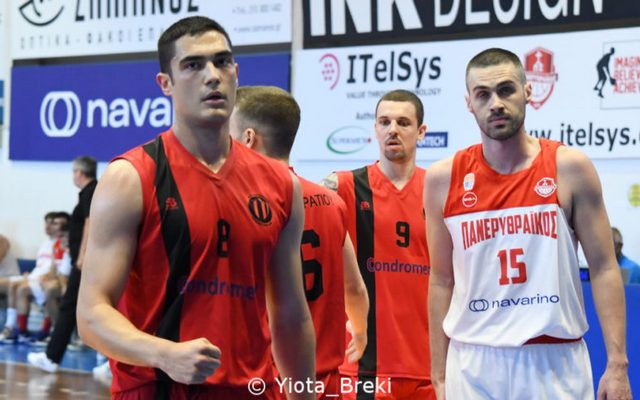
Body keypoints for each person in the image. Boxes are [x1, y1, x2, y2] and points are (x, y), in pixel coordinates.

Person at [74, 17, 315, 399]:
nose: (212, 75)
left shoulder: (282, 184)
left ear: (236, 72)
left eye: (222, 62)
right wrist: (163, 353)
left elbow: (291, 314)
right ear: (165, 83)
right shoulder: (131, 177)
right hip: (158, 388)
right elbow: (91, 315)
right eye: (193, 65)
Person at [424, 48, 631, 399]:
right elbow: (441, 279)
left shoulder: (569, 167)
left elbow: (604, 267)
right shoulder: (443, 178)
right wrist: (439, 374)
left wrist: (617, 365)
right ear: (469, 103)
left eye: (506, 90)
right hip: (472, 362)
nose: (496, 104)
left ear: (528, 91)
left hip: (554, 360)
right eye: (483, 94)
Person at [230, 85, 369, 398]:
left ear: (248, 138)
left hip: (263, 381)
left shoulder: (238, 205)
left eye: (229, 133)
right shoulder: (332, 202)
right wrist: (360, 332)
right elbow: (355, 289)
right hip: (323, 382)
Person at [323, 90, 434, 399]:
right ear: (375, 128)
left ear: (421, 131)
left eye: (403, 123)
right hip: (362, 368)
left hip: (428, 368)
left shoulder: (438, 189)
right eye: (384, 122)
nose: (392, 130)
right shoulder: (342, 186)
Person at [28, 156, 97, 371]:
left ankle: (52, 358)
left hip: (84, 263)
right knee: (74, 307)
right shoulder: (87, 192)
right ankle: (53, 357)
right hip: (83, 262)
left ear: (79, 172)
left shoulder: (91, 191)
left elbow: (90, 223)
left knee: (71, 307)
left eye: (74, 172)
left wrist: (82, 255)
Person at [0, 212, 68, 343]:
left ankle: (46, 331)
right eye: (47, 223)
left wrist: (51, 277)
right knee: (20, 288)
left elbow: (59, 268)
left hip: (50, 280)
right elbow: (43, 266)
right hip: (36, 277)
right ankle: (19, 330)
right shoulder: (47, 244)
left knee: (47, 289)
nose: (49, 226)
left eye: (54, 223)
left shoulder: (63, 244)